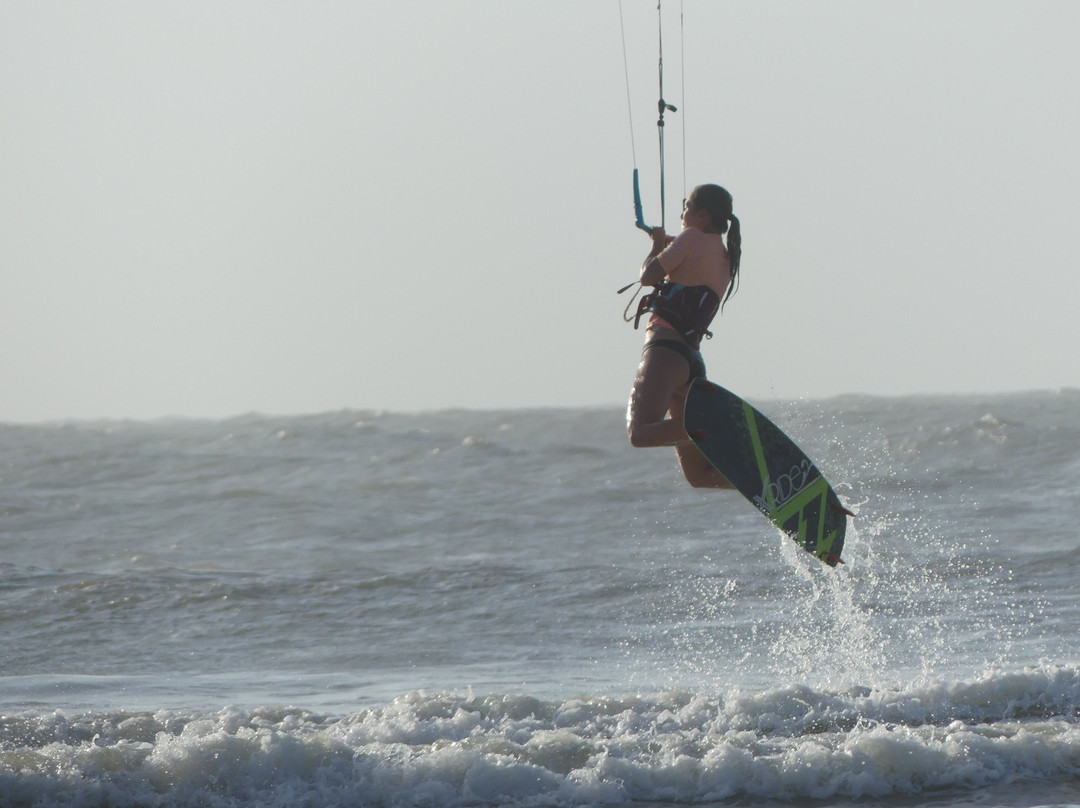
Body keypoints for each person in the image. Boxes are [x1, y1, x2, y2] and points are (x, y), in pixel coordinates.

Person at [625, 183, 742, 488]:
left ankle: (718, 426)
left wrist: (656, 246)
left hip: (665, 351)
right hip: (690, 363)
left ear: (701, 216)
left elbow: (649, 276)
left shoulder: (690, 238)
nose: (682, 213)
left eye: (686, 207)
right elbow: (689, 270)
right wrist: (669, 246)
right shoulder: (725, 257)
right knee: (699, 477)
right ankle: (757, 477)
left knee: (640, 432)